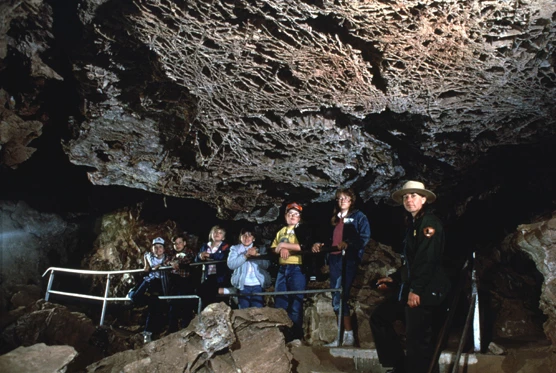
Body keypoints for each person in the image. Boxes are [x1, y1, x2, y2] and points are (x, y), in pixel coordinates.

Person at [370, 181, 451, 373]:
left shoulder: (429, 223)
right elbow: (412, 262)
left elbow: (427, 259)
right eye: (406, 196)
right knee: (380, 318)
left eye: (414, 195)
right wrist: (395, 278)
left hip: (427, 290)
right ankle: (400, 366)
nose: (409, 199)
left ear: (424, 199)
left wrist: (416, 290)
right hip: (414, 287)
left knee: (418, 339)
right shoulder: (414, 224)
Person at [312, 188, 370, 346]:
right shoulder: (334, 220)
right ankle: (341, 336)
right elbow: (328, 239)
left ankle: (348, 335)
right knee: (336, 299)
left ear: (351, 201)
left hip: (348, 260)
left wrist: (349, 244)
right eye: (339, 198)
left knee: (341, 295)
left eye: (346, 198)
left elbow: (364, 237)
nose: (342, 200)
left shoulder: (358, 217)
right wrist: (319, 244)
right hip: (335, 260)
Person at [271, 202, 312, 341]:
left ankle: (295, 336)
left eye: (296, 214)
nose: (293, 216)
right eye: (290, 214)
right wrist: (281, 248)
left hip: (297, 268)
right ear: (285, 216)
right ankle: (281, 335)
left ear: (300, 217)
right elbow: (273, 248)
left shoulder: (303, 230)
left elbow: (305, 245)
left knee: (296, 302)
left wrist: (283, 245)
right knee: (280, 301)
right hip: (283, 269)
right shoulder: (280, 231)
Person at [129, 237, 171, 335]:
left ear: (163, 249)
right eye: (155, 247)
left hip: (159, 282)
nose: (158, 249)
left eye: (160, 247)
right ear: (152, 249)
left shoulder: (166, 257)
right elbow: (145, 255)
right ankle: (132, 292)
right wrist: (146, 264)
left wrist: (161, 266)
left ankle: (148, 331)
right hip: (149, 280)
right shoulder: (149, 256)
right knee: (135, 297)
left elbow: (169, 261)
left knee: (155, 305)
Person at [227, 227, 271, 308]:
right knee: (244, 310)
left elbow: (266, 265)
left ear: (253, 238)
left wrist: (256, 257)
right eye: (244, 235)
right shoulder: (235, 249)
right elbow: (231, 264)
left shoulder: (261, 249)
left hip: (258, 284)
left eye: (250, 235)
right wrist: (245, 256)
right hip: (243, 284)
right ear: (240, 237)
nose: (247, 238)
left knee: (258, 309)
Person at [167, 235, 197, 332]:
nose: (178, 245)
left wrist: (177, 263)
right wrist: (171, 263)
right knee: (173, 303)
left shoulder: (189, 252)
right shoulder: (172, 254)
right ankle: (172, 328)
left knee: (185, 304)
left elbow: (188, 260)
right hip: (174, 281)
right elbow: (166, 261)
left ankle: (186, 328)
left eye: (180, 242)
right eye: (176, 243)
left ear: (184, 243)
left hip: (186, 281)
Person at [196, 225, 231, 308]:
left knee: (217, 297)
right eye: (215, 232)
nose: (217, 234)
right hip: (208, 275)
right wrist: (200, 256)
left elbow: (223, 256)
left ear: (223, 237)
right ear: (211, 234)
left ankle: (227, 292)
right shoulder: (205, 246)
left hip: (221, 276)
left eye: (220, 233)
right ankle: (226, 291)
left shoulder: (225, 246)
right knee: (203, 291)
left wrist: (210, 256)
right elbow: (196, 259)